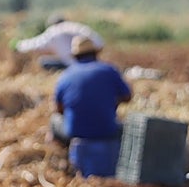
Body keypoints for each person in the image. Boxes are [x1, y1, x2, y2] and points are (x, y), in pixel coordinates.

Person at [52, 35, 132, 177]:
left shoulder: (65, 75)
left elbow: (59, 109)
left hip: (76, 131)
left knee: (54, 122)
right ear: (95, 53)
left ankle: (63, 164)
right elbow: (127, 96)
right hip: (107, 130)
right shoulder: (108, 70)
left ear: (75, 56)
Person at [13, 13, 105, 71]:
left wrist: (18, 45)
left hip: (70, 66)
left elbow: (36, 44)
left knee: (43, 62)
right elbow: (99, 42)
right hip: (92, 64)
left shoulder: (54, 31)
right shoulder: (77, 27)